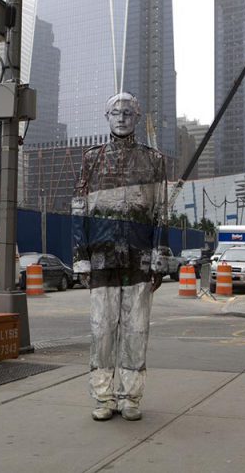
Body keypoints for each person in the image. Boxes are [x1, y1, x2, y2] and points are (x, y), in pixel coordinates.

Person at [71, 92, 168, 422]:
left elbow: (161, 211)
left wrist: (158, 258)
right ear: (107, 116)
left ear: (137, 117)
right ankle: (103, 395)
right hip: (102, 257)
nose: (122, 117)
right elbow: (79, 209)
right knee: (102, 331)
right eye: (116, 112)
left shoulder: (154, 160)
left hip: (138, 259)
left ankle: (131, 396)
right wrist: (80, 257)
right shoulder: (92, 158)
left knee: (136, 329)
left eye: (128, 112)